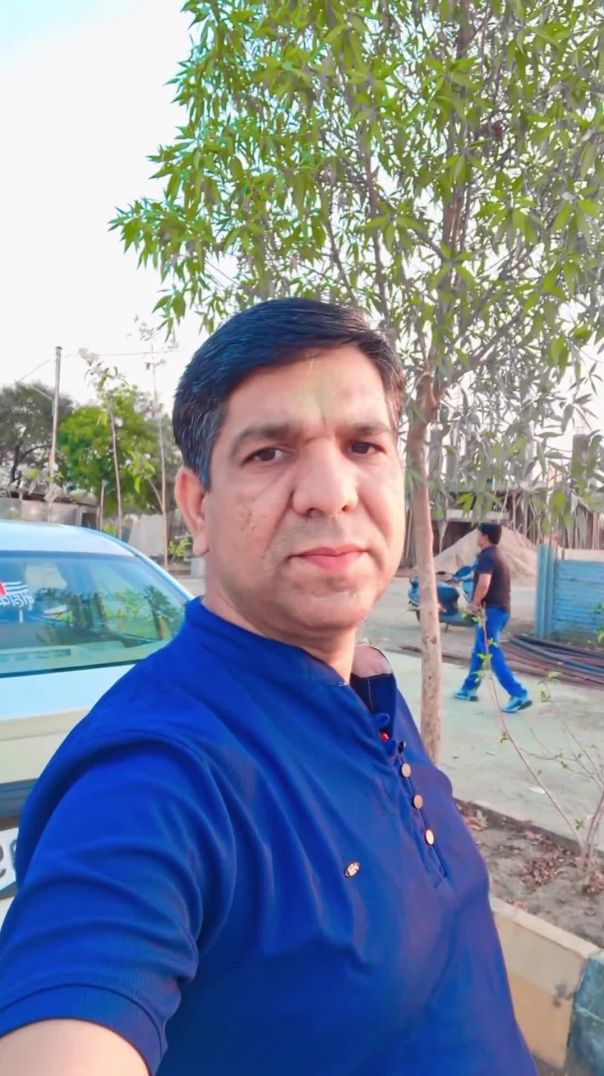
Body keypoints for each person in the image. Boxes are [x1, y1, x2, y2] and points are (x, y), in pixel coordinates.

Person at [0, 299, 536, 1075]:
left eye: (363, 445)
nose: (331, 490)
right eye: (269, 453)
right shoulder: (160, 774)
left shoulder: (368, 690)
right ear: (198, 506)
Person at [454, 521, 532, 713]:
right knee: (480, 650)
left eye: (479, 535)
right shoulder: (497, 554)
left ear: (485, 537)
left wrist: (474, 603)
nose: (477, 538)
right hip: (500, 610)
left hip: (492, 611)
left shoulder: (488, 557)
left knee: (491, 652)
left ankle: (518, 694)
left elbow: (484, 583)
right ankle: (469, 688)